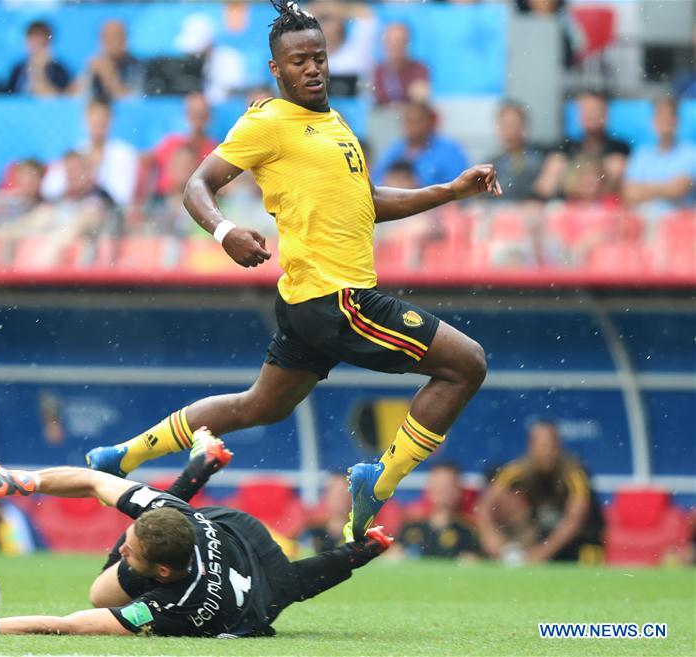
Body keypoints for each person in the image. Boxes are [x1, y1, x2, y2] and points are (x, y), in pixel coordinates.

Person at [85, 0, 500, 543]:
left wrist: (450, 190)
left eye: (319, 57)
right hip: (340, 300)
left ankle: (122, 455)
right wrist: (224, 231)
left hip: (311, 302)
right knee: (466, 364)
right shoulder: (268, 122)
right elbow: (196, 185)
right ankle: (380, 481)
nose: (312, 69)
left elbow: (369, 201)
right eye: (298, 61)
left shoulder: (336, 125)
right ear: (276, 69)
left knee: (257, 405)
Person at [0, 436, 393, 637]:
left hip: (252, 580)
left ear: (162, 574)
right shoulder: (165, 512)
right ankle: (201, 467)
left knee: (288, 587)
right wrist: (21, 480)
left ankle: (362, 548)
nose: (120, 546)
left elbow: (72, 625)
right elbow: (92, 481)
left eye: (128, 550)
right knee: (105, 583)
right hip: (228, 525)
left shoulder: (175, 608)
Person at [477, 420, 604, 564]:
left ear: (559, 446)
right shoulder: (516, 470)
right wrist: (492, 539)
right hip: (544, 537)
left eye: (551, 445)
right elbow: (486, 505)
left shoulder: (575, 474)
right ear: (531, 446)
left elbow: (574, 520)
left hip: (581, 541)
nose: (547, 452)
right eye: (542, 446)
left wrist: (541, 553)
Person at [41, 101, 139, 208]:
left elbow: (122, 196)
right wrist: (72, 185)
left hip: (106, 209)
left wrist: (91, 184)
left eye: (102, 122)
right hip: (70, 207)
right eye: (94, 122)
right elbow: (49, 189)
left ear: (111, 122)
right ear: (84, 122)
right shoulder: (76, 151)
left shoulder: (124, 154)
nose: (98, 126)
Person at [537, 91, 630, 198]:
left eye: (595, 111)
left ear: (606, 114)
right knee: (555, 163)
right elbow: (545, 185)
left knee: (616, 165)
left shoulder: (619, 148)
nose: (591, 115)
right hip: (568, 201)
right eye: (586, 111)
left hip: (605, 201)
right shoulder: (566, 147)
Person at [623, 97, 696, 224]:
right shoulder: (641, 154)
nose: (665, 119)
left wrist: (643, 189)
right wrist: (666, 188)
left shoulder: (691, 153)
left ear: (677, 120)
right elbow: (629, 193)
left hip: (677, 222)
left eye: (670, 115)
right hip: (644, 222)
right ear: (653, 120)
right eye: (661, 114)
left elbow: (678, 190)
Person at [372, 101, 469, 188]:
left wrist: (417, 186)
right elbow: (377, 183)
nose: (412, 126)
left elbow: (460, 187)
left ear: (429, 121)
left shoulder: (449, 150)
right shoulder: (394, 150)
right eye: (408, 120)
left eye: (417, 120)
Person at [397, 462, 478, 560]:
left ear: (458, 490)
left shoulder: (467, 532)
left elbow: (476, 561)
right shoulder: (412, 526)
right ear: (429, 489)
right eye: (438, 485)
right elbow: (393, 555)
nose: (443, 491)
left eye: (448, 486)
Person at [149, 92, 216, 199]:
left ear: (209, 116)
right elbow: (147, 162)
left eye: (201, 113)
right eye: (194, 112)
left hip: (196, 199)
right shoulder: (171, 143)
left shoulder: (215, 151)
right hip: (165, 199)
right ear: (186, 114)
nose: (198, 118)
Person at [174, 13, 247, 103]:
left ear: (209, 42)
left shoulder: (230, 60)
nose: (193, 55)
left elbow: (231, 95)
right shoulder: (185, 63)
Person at [488, 101, 547, 202]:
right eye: (504, 125)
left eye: (513, 124)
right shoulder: (492, 164)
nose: (509, 131)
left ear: (523, 127)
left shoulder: (539, 161)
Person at [75, 20, 141, 102]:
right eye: (106, 37)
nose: (112, 42)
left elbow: (134, 101)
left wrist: (109, 77)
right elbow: (75, 96)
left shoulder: (135, 66)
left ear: (126, 39)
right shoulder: (94, 64)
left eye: (117, 37)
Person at [6, 21, 72, 96]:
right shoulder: (18, 69)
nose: (36, 47)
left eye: (40, 42)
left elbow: (58, 97)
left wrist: (39, 70)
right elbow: (7, 95)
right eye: (32, 41)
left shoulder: (58, 71)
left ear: (48, 44)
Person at [372, 22, 430, 106]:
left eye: (400, 41)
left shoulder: (418, 69)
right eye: (390, 41)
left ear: (407, 42)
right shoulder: (377, 71)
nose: (395, 45)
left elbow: (421, 96)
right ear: (384, 43)